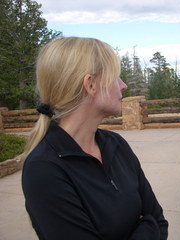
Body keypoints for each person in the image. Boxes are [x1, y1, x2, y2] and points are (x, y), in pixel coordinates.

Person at [21, 37, 168, 240]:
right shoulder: (44, 169)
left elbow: (159, 220)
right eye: (116, 77)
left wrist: (150, 223)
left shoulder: (115, 144)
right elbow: (154, 225)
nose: (123, 85)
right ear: (90, 84)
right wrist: (147, 227)